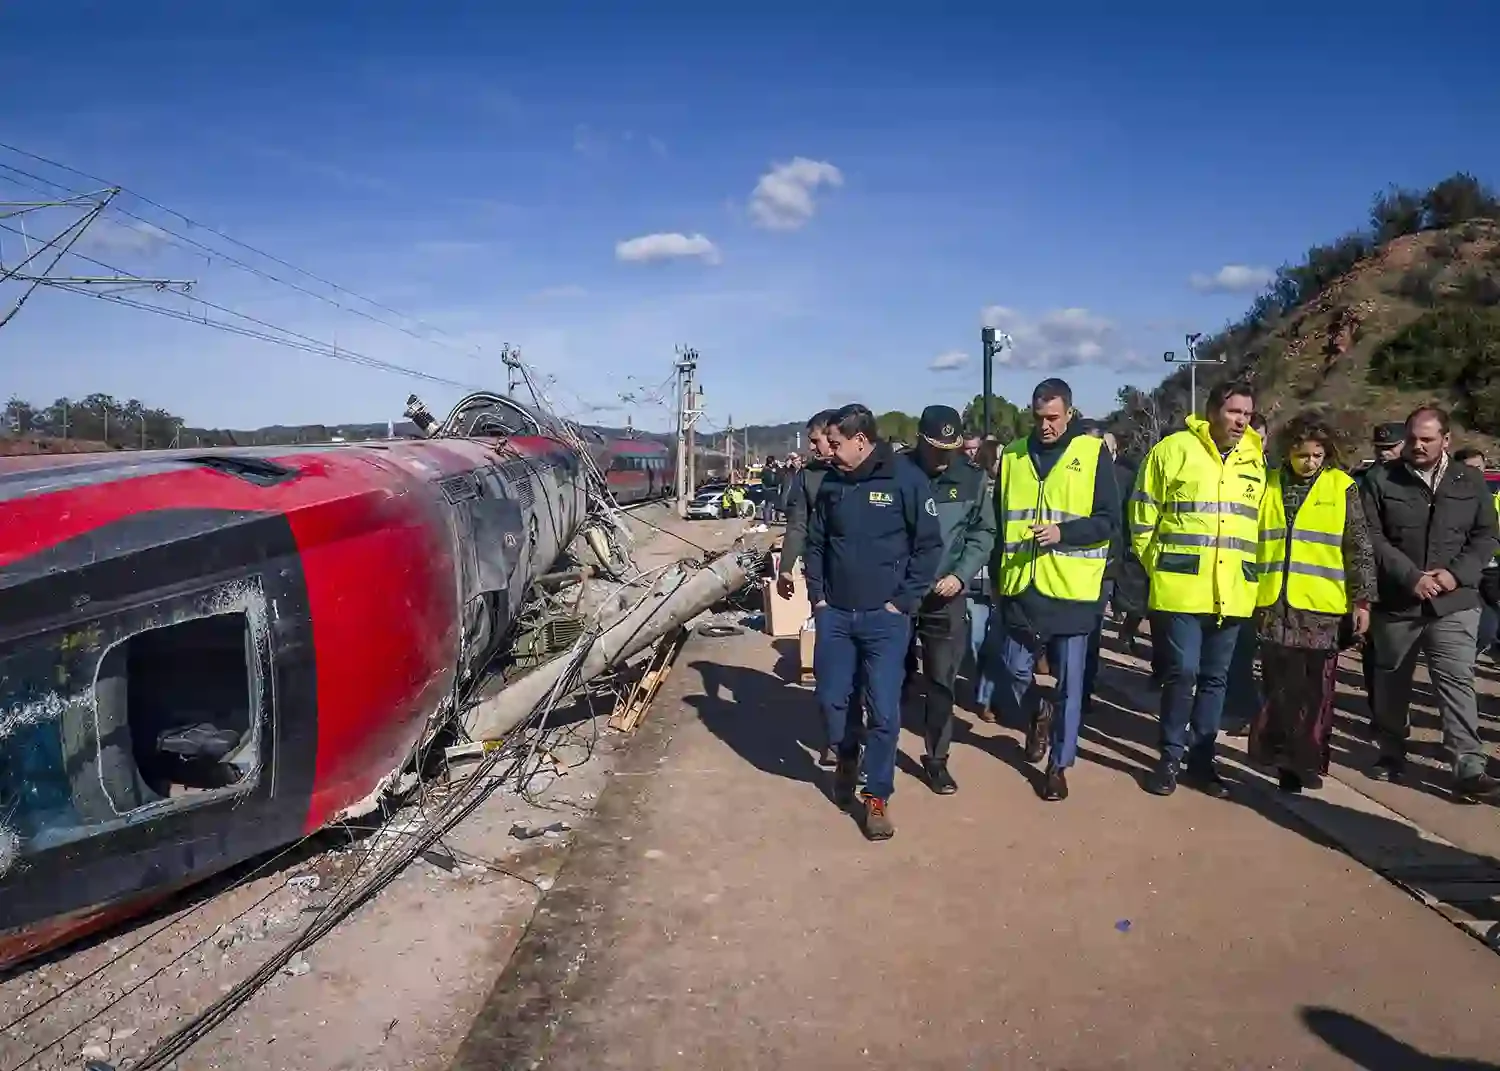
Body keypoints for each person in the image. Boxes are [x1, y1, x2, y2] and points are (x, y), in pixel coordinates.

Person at [806, 404, 943, 840]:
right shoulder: (831, 483)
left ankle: (877, 795)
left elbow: (928, 546)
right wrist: (820, 598)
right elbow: (816, 542)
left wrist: (903, 602)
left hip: (886, 621)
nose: (829, 449)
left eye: (836, 442)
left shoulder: (906, 480)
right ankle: (847, 751)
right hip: (837, 617)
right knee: (831, 699)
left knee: (884, 711)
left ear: (861, 441)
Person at [1131, 379, 1265, 799]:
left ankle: (1202, 762)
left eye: (1247, 413)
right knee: (1182, 672)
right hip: (1180, 588)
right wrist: (1159, 565)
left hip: (1233, 591)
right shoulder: (1173, 450)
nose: (1241, 421)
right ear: (1212, 411)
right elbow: (1141, 514)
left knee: (1215, 679)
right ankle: (1169, 757)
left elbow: (1260, 523)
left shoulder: (1256, 459)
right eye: (1234, 412)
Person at [1360, 406, 1500, 802]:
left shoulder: (1469, 481)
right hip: (1398, 604)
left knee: (1456, 681)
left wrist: (1455, 574)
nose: (1418, 445)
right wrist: (1411, 578)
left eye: (1428, 439)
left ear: (1446, 441)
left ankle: (1469, 766)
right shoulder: (1380, 479)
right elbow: (1371, 537)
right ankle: (1391, 752)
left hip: (1454, 602)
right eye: (1413, 438)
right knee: (1391, 684)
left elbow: (1486, 536)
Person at [992, 379, 1119, 801]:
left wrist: (1062, 532)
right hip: (1021, 585)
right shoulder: (1011, 456)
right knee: (1012, 670)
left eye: (1053, 417)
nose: (1045, 425)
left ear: (1070, 413)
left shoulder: (1092, 453)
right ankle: (1036, 714)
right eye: (1039, 416)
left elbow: (1107, 521)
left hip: (1072, 590)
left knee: (1071, 684)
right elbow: (998, 523)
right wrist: (997, 580)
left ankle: (1058, 766)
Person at [1249, 414, 1376, 793]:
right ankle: (1278, 756)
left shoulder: (1341, 487)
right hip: (1273, 605)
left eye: (1318, 455)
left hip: (1320, 610)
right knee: (1279, 689)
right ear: (1288, 451)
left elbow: (1359, 548)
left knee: (1316, 692)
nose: (1311, 462)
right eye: (1303, 455)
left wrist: (1363, 600)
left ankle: (1305, 763)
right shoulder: (1268, 483)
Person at [907, 405, 996, 794]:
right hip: (899, 595)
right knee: (886, 677)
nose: (945, 457)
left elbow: (983, 534)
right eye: (937, 449)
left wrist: (961, 575)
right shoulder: (897, 473)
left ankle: (937, 759)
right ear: (920, 440)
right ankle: (869, 753)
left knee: (942, 681)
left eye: (952, 448)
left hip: (946, 598)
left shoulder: (971, 480)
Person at [778, 412, 857, 767]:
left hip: (870, 584)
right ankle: (835, 738)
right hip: (825, 585)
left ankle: (859, 731)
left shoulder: (865, 473)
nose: (811, 447)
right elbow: (797, 525)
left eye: (815, 440)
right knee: (830, 665)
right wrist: (785, 567)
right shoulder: (809, 478)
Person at [1222, 413, 1273, 735]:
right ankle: (1244, 709)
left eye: (1260, 437)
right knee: (1237, 650)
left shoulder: (1276, 476)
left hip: (1269, 578)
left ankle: (1263, 714)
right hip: (1233, 577)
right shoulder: (1227, 473)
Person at [1354, 422, 1408, 698]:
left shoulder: (1416, 480)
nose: (1384, 454)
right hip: (1374, 577)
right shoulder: (1361, 480)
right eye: (1380, 448)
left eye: (1391, 448)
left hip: (1409, 575)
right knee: (1374, 651)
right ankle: (1380, 711)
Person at [968, 438, 1003, 721]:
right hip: (974, 578)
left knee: (996, 642)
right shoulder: (972, 488)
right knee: (978, 640)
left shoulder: (1011, 491)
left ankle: (987, 696)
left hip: (1002, 577)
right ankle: (984, 693)